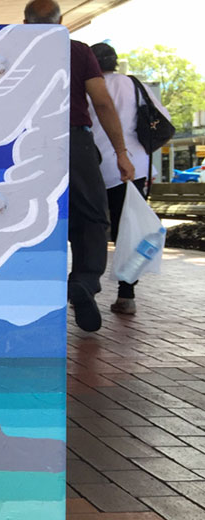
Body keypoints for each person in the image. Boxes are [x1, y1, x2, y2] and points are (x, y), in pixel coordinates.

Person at [24, 0, 134, 332]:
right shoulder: (78, 51)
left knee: (33, 216)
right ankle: (84, 281)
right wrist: (121, 152)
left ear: (25, 24)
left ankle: (34, 292)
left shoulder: (14, 50)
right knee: (92, 216)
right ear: (62, 23)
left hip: (28, 143)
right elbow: (102, 102)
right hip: (74, 141)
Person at [88, 42, 172, 315]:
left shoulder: (86, 86)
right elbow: (164, 119)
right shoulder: (135, 85)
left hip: (91, 166)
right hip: (133, 166)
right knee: (128, 229)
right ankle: (127, 294)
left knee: (90, 228)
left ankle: (87, 286)